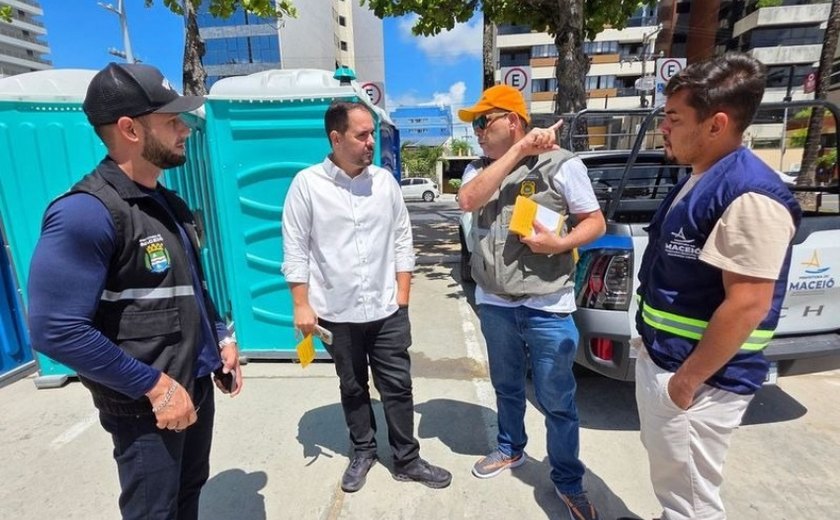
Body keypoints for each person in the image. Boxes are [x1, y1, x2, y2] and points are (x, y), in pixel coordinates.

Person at [28, 62, 243, 520]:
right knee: (154, 512)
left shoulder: (170, 204)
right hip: (145, 405)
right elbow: (55, 330)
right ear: (129, 129)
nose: (184, 128)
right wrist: (153, 386)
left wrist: (220, 338)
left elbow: (191, 289)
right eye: (171, 120)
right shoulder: (86, 213)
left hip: (192, 386)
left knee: (187, 498)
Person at [633, 53, 801, 520]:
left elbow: (748, 304)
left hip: (703, 382)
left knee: (693, 501)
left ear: (716, 124)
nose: (663, 128)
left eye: (673, 118)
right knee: (676, 487)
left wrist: (684, 385)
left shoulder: (750, 195)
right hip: (670, 360)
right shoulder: (702, 176)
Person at [281, 100, 451, 493]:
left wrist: (403, 297)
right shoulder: (307, 185)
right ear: (336, 138)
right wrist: (301, 304)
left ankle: (407, 459)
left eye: (371, 133)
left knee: (398, 385)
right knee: (353, 385)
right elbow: (295, 249)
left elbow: (402, 239)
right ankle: (363, 451)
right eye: (362, 135)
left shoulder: (385, 182)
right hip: (335, 312)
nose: (370, 142)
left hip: (387, 308)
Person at [457, 85, 606, 520]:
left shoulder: (561, 165)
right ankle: (510, 449)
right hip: (496, 303)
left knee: (557, 399)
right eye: (475, 124)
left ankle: (567, 480)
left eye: (485, 121)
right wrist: (519, 150)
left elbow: (594, 222)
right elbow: (468, 201)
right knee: (505, 386)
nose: (478, 131)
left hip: (547, 305)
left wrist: (560, 242)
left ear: (513, 120)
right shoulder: (477, 170)